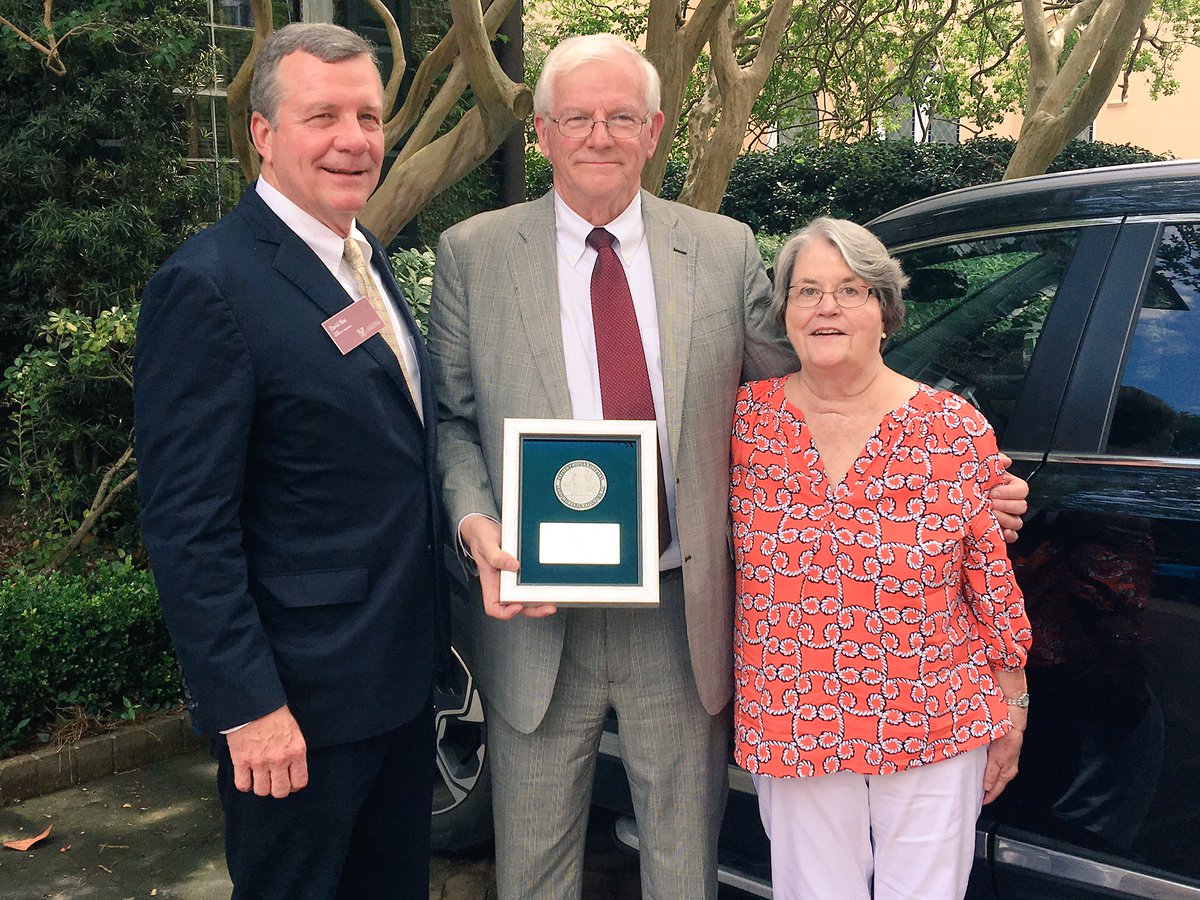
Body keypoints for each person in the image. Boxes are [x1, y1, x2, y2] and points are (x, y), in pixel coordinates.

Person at [428, 34, 1028, 900]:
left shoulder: (721, 248)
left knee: (681, 867)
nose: (600, 135)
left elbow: (808, 386)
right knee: (533, 868)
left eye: (621, 117)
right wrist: (474, 519)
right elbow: (454, 421)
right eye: (578, 118)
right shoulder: (473, 253)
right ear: (545, 130)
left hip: (682, 613)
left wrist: (963, 474)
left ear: (654, 130)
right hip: (537, 608)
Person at [134, 23, 443, 899]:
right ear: (264, 135)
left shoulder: (361, 258)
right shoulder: (209, 284)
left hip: (393, 683)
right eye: (322, 117)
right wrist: (248, 708)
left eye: (369, 117)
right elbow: (188, 526)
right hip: (296, 708)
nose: (354, 139)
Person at [730, 217, 1033, 900]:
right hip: (793, 711)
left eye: (850, 290)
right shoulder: (743, 423)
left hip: (935, 713)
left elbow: (990, 578)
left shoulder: (950, 427)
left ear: (885, 311)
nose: (826, 306)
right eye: (806, 291)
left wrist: (1012, 705)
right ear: (785, 314)